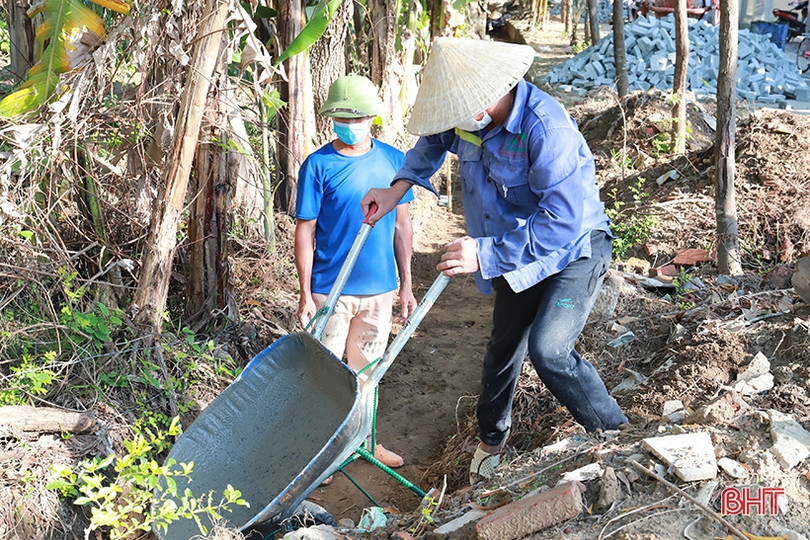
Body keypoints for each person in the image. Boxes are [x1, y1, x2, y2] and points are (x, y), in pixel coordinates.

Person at [360, 38, 628, 484]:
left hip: (573, 250)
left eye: (462, 111)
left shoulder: (545, 129)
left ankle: (616, 435)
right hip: (513, 250)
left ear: (493, 92)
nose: (458, 121)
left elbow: (562, 221)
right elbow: (430, 144)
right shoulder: (468, 117)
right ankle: (491, 441)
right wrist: (396, 189)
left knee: (548, 350)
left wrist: (484, 253)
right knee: (503, 348)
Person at [295, 74, 417, 469]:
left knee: (367, 373)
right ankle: (322, 457)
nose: (350, 125)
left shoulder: (394, 161)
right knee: (326, 379)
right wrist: (304, 293)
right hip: (330, 289)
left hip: (379, 289)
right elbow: (306, 230)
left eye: (357, 117)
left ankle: (366, 441)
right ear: (332, 119)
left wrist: (406, 285)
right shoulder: (317, 165)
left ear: (372, 118)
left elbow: (402, 225)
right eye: (342, 118)